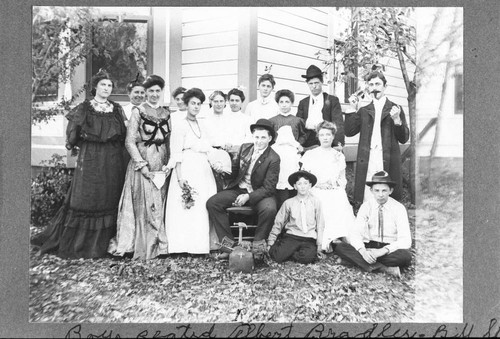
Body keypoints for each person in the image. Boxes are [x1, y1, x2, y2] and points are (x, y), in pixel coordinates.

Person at [31, 70, 127, 259]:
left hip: (112, 158)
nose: (107, 88)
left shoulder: (116, 109)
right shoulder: (84, 108)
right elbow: (73, 134)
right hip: (91, 157)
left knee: (109, 194)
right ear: (95, 87)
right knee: (88, 195)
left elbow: (122, 133)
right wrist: (77, 145)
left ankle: (108, 241)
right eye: (103, 85)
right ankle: (82, 243)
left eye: (109, 86)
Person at [108, 75, 172, 260]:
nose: (153, 94)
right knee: (143, 202)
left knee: (158, 201)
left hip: (161, 159)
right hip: (143, 158)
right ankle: (137, 244)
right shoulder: (138, 111)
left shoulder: (166, 113)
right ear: (146, 93)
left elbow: (168, 140)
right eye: (150, 91)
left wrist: (168, 164)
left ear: (161, 92)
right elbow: (129, 142)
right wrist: (141, 164)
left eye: (157, 91)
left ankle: (159, 245)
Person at [206, 118, 280, 260]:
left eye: (263, 137)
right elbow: (235, 172)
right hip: (239, 189)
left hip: (260, 193)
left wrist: (249, 197)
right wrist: (223, 170)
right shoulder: (245, 148)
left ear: (270, 138)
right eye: (256, 137)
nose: (259, 141)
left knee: (270, 209)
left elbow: (269, 187)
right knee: (213, 203)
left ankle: (257, 248)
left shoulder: (273, 158)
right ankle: (228, 247)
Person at [165, 88, 218, 254]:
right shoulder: (180, 125)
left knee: (202, 203)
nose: (196, 106)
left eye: (199, 104)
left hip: (202, 167)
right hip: (186, 166)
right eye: (193, 103)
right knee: (186, 203)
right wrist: (180, 177)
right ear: (186, 104)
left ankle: (199, 245)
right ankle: (182, 245)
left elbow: (208, 147)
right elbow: (176, 152)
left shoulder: (203, 123)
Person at [345, 70, 410, 203]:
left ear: (385, 86)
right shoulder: (364, 110)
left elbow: (404, 138)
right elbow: (349, 131)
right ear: (368, 88)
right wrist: (352, 108)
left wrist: (397, 120)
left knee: (386, 190)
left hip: (387, 157)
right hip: (368, 158)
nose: (374, 88)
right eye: (371, 85)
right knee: (369, 190)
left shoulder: (395, 108)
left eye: (378, 84)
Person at [334, 171, 412, 278]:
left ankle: (353, 261)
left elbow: (406, 240)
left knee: (405, 257)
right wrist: (363, 251)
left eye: (384, 190)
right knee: (340, 247)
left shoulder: (398, 208)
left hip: (389, 249)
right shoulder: (366, 207)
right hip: (369, 246)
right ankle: (384, 268)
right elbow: (356, 233)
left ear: (391, 190)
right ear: (371, 191)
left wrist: (382, 251)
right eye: (377, 190)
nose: (380, 194)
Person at [300, 121, 354, 252]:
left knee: (339, 197)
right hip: (315, 189)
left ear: (333, 137)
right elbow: (304, 178)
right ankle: (326, 239)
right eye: (322, 134)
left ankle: (337, 236)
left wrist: (336, 185)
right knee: (322, 200)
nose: (325, 137)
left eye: (328, 135)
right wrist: (318, 184)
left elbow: (342, 179)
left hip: (332, 189)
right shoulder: (310, 154)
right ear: (318, 136)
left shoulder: (338, 155)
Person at [267, 170, 325, 264]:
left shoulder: (316, 202)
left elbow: (320, 224)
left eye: (305, 183)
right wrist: (271, 240)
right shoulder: (288, 203)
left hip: (309, 238)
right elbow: (279, 222)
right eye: (299, 184)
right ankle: (286, 249)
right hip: (292, 236)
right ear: (295, 186)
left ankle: (293, 253)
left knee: (307, 258)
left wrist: (319, 244)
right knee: (277, 256)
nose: (302, 187)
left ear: (310, 185)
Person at [296, 65, 344, 151]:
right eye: (311, 83)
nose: (314, 86)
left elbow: (338, 123)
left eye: (316, 83)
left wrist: (338, 143)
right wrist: (298, 143)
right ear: (307, 84)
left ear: (321, 82)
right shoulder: (303, 103)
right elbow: (299, 125)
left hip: (327, 139)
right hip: (308, 140)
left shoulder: (332, 100)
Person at [271, 125, 301, 210]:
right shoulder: (274, 148)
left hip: (289, 178)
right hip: (280, 179)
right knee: (283, 200)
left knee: (290, 200)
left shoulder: (294, 148)